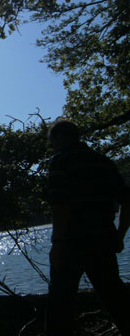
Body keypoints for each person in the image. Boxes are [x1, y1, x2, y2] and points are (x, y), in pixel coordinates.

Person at [45, 120, 130, 336]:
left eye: (51, 140)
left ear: (60, 138)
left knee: (60, 304)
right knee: (115, 297)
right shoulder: (103, 162)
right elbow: (127, 200)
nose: (52, 146)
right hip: (103, 239)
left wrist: (57, 243)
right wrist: (119, 234)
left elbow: (60, 206)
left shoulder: (60, 162)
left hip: (72, 243)